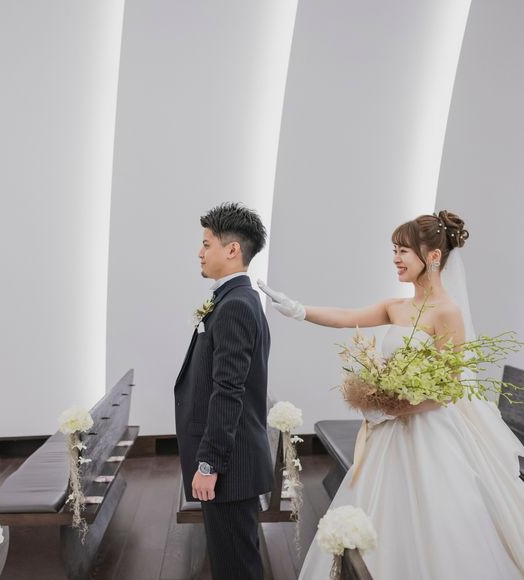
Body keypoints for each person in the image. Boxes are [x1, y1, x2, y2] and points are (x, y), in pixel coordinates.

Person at [259, 210, 524, 579]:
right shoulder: (397, 306)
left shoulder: (447, 313)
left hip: (428, 432)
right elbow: (345, 316)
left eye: (403, 251)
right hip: (387, 431)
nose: (395, 258)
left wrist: (392, 410)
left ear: (433, 256)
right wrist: (298, 309)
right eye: (394, 250)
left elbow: (449, 389)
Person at [174, 202, 272, 580]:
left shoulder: (235, 306)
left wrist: (208, 465)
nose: (199, 252)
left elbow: (228, 390)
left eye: (206, 243)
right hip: (234, 461)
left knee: (235, 567)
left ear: (232, 250)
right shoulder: (236, 298)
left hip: (229, 467)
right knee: (233, 560)